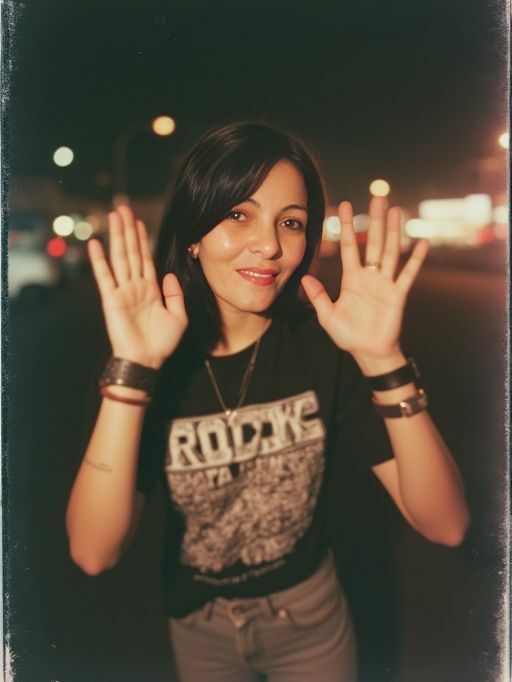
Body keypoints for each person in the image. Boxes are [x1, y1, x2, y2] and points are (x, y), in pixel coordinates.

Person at [65, 121, 470, 682]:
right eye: (239, 214)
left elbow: (446, 524)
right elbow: (93, 551)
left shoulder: (324, 346)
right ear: (193, 234)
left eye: (290, 222)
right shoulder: (145, 360)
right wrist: (133, 374)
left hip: (312, 620)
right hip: (199, 627)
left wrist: (383, 360)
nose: (270, 245)